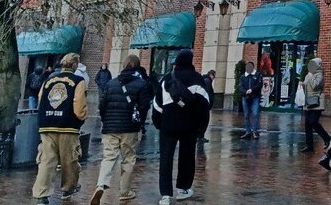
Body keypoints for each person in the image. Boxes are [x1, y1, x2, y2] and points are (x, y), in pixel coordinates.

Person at [152, 49, 209, 205]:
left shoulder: (166, 79)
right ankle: (183, 189)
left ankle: (165, 194)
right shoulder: (197, 79)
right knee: (187, 157)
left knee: (166, 158)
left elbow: (157, 105)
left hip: (168, 124)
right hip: (189, 126)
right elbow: (205, 106)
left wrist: (159, 123)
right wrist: (201, 127)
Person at [90, 54, 149, 205]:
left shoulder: (111, 83)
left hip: (110, 126)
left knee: (109, 157)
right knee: (128, 158)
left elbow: (102, 105)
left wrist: (105, 121)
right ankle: (125, 191)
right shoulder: (141, 84)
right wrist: (140, 124)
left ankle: (101, 184)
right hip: (129, 127)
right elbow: (144, 107)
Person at [32, 53, 88, 205]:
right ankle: (68, 188)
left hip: (47, 124)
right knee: (69, 159)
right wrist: (80, 118)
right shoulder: (78, 81)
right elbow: (79, 105)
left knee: (46, 160)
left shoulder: (49, 80)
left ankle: (42, 194)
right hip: (67, 126)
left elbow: (40, 98)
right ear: (75, 64)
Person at [301, 58, 331, 153]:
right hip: (308, 101)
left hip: (317, 102)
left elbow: (315, 86)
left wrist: (310, 76)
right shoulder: (308, 74)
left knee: (313, 122)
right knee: (307, 124)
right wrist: (302, 85)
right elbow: (307, 87)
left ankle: (326, 137)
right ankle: (309, 145)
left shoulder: (319, 74)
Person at [239, 61, 263, 139]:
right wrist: (245, 92)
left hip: (255, 97)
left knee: (255, 114)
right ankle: (248, 131)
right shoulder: (243, 76)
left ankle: (255, 131)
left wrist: (252, 90)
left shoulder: (258, 75)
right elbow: (240, 86)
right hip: (245, 97)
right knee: (246, 115)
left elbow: (259, 85)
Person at [198, 70, 216, 142]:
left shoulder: (205, 80)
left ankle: (200, 136)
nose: (214, 78)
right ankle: (200, 136)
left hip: (203, 104)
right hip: (205, 105)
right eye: (214, 76)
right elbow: (208, 93)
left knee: (202, 120)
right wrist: (208, 103)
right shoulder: (207, 81)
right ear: (211, 75)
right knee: (204, 121)